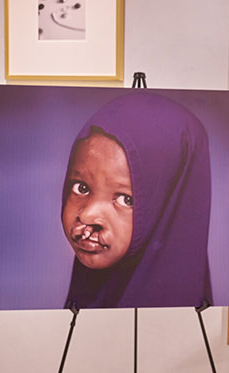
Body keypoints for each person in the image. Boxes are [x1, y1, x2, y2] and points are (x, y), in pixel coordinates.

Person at [62, 92, 213, 309]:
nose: (87, 215)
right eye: (82, 188)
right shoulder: (86, 290)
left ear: (167, 207)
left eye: (125, 199)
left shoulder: (171, 315)